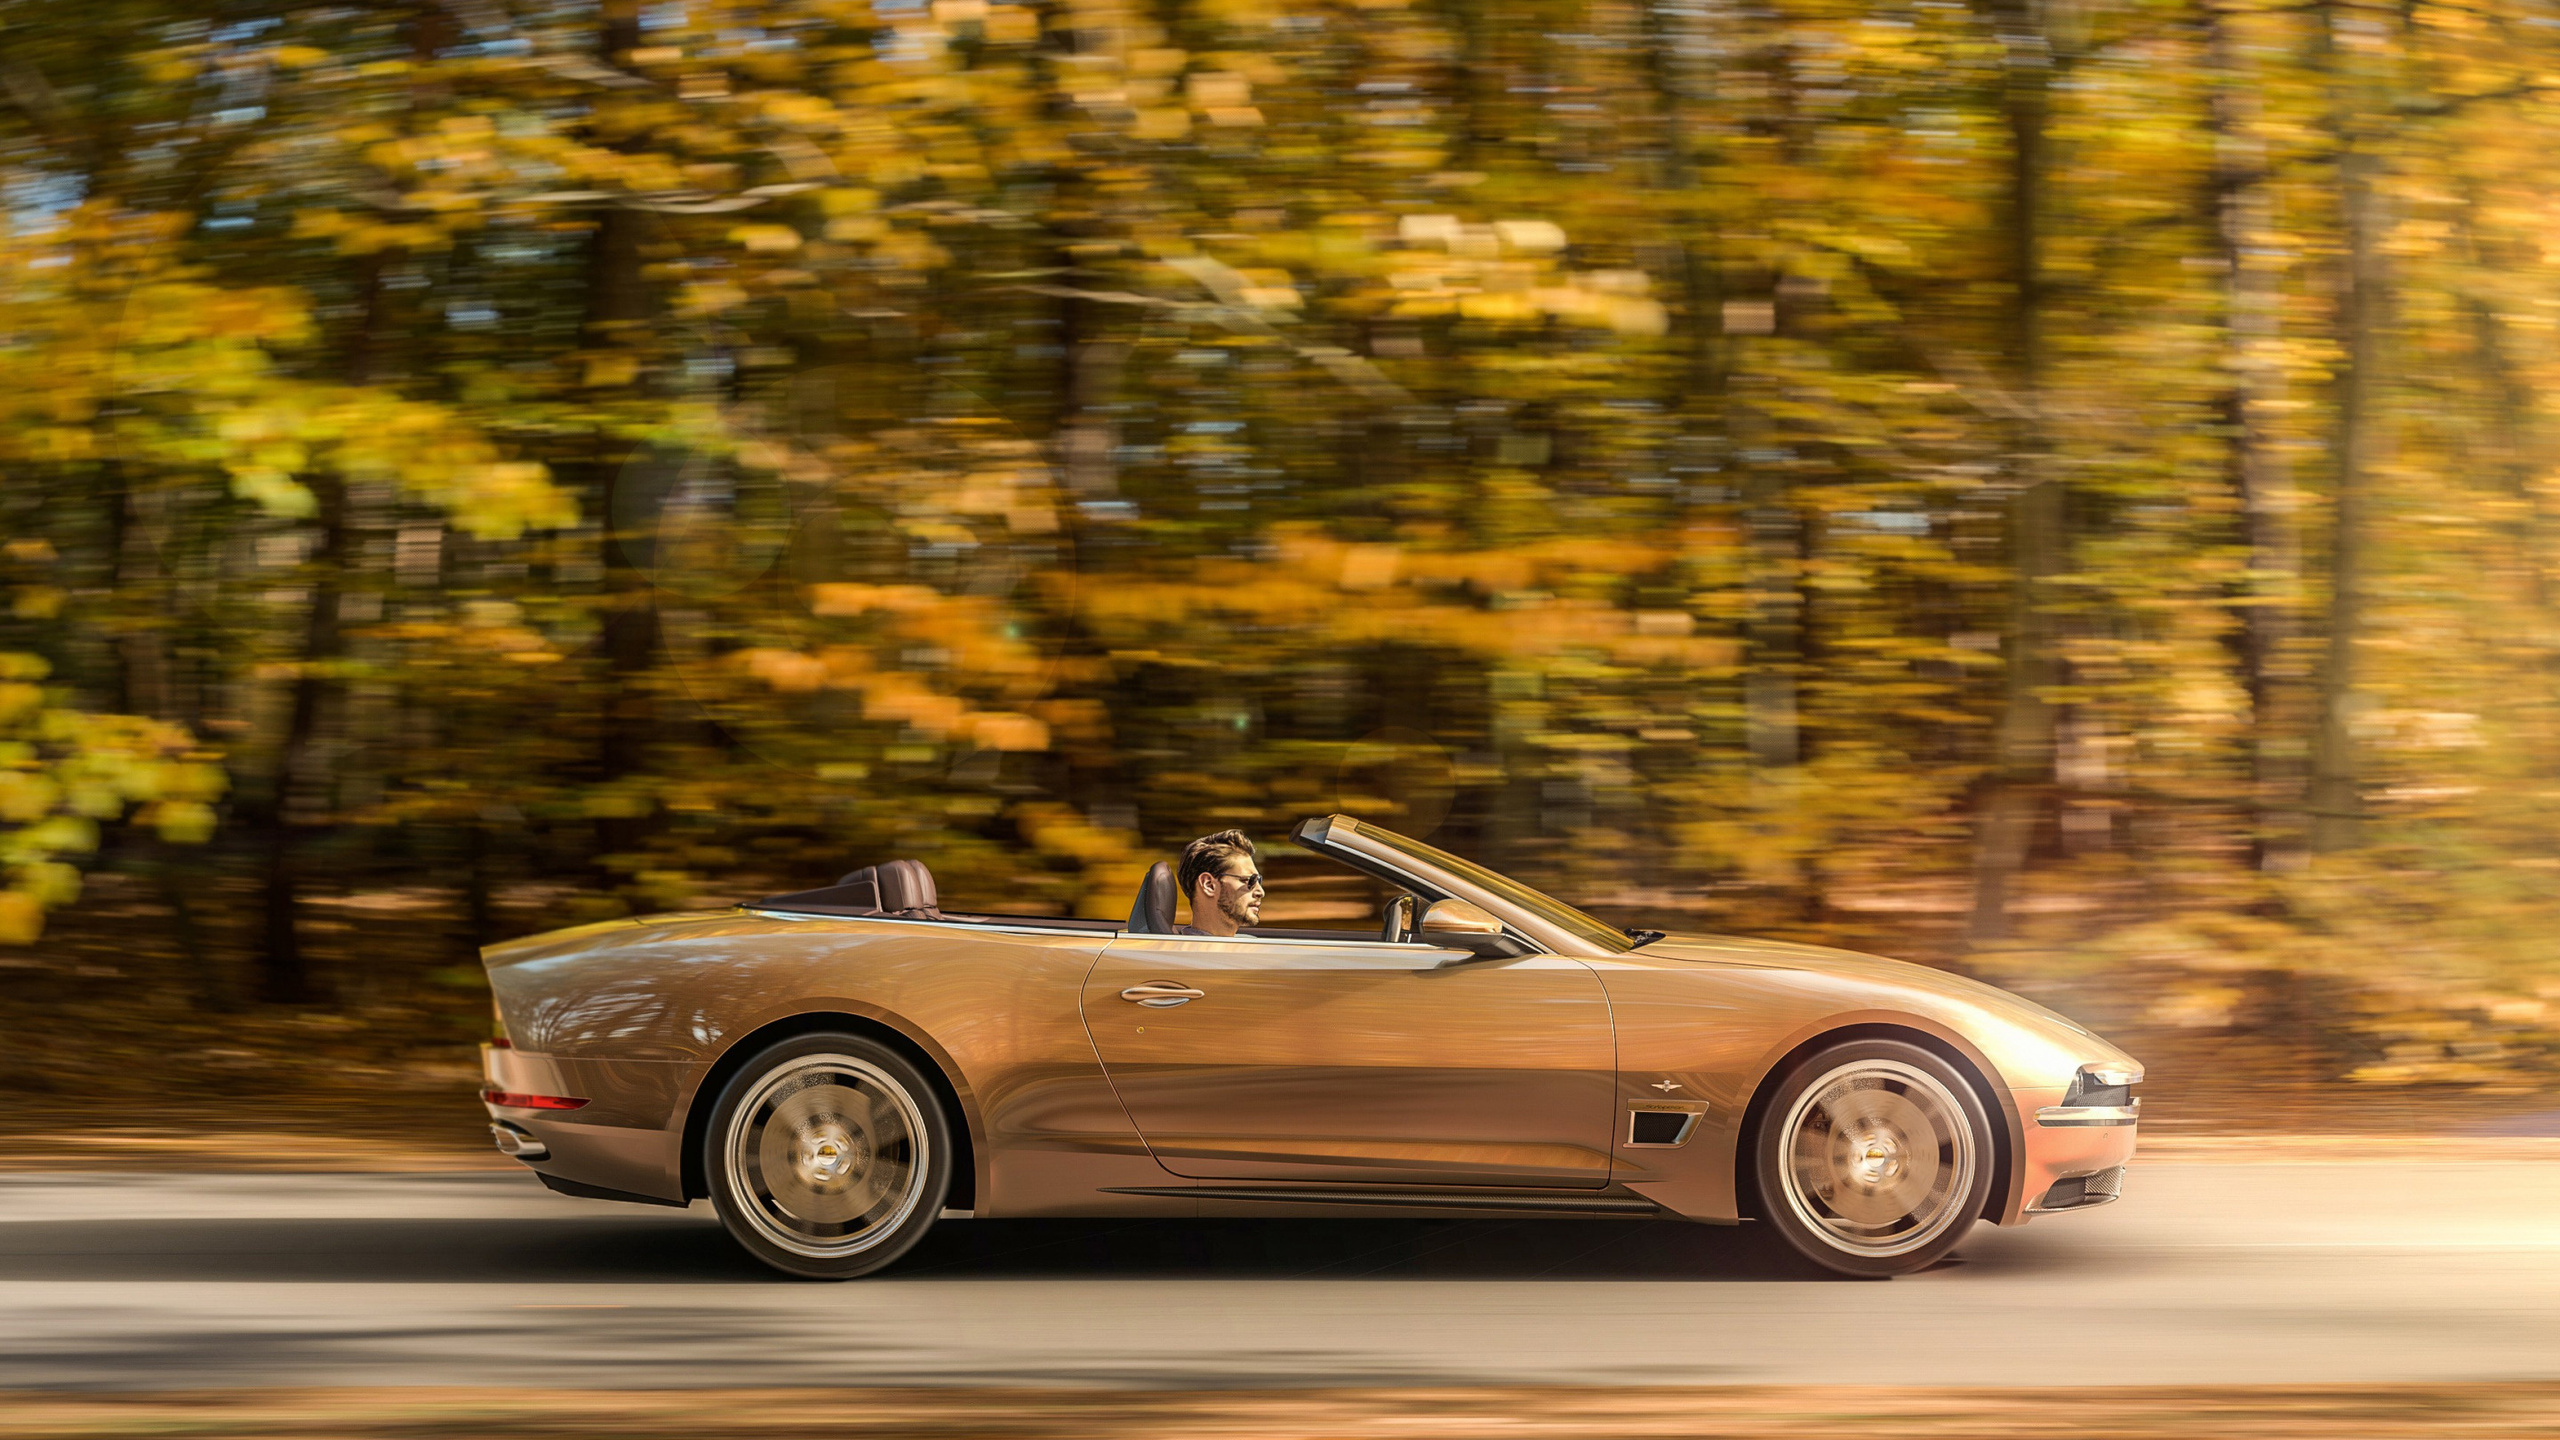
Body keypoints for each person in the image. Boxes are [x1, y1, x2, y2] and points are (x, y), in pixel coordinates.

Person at [1176, 828, 1263, 936]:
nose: (1261, 892)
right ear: (1209, 885)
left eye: (1259, 880)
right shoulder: (1194, 951)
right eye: (1249, 880)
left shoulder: (1248, 943)